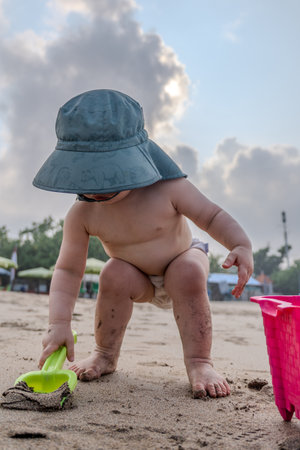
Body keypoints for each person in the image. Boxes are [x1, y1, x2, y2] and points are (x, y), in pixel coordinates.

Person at [34, 89, 253, 399]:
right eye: (87, 174)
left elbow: (212, 215)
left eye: (108, 172)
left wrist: (240, 244)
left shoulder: (168, 188)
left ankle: (200, 362)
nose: (97, 186)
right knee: (113, 273)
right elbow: (68, 271)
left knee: (187, 271)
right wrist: (58, 323)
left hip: (181, 258)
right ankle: (105, 353)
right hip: (135, 278)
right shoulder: (82, 214)